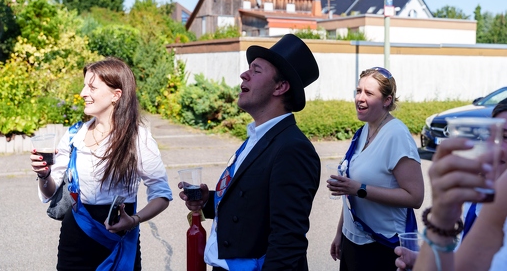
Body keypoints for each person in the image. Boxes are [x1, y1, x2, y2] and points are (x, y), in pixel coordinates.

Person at [178, 34, 321, 270]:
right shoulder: (258, 137)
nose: (244, 75)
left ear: (280, 87)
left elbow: (287, 242)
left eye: (256, 70)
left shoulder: (293, 148)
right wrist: (209, 201)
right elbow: (253, 206)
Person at [30, 57, 172, 270]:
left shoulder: (137, 138)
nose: (83, 93)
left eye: (92, 87)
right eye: (85, 85)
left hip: (119, 239)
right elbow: (50, 192)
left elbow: (161, 195)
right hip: (74, 238)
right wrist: (43, 174)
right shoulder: (73, 135)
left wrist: (133, 220)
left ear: (116, 95)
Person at [328, 67, 424, 271]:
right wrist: (341, 232)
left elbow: (415, 197)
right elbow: (350, 191)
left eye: (369, 93)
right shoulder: (363, 130)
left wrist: (359, 189)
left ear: (387, 100)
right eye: (358, 90)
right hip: (352, 240)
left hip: (382, 246)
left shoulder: (397, 135)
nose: (360, 98)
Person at [395, 98, 507, 271]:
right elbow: (463, 259)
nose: (494, 146)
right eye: (492, 135)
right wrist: (425, 256)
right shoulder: (477, 197)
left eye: (505, 136)